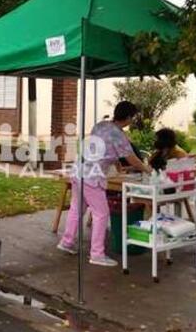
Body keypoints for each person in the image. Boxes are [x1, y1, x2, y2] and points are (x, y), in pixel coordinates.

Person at [58, 101, 152, 266]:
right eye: (133, 117)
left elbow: (103, 148)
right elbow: (132, 158)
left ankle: (67, 242)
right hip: (92, 176)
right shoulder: (119, 135)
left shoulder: (101, 125)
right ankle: (97, 254)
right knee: (101, 214)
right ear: (129, 117)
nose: (132, 120)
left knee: (76, 209)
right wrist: (147, 169)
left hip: (79, 170)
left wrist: (116, 164)